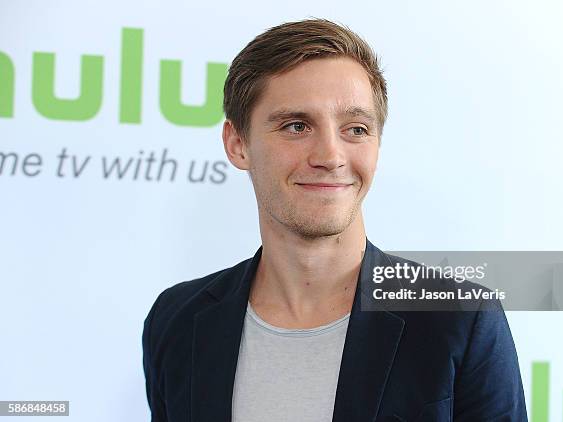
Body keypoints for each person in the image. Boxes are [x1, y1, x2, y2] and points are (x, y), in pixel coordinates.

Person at [143, 18, 528, 422]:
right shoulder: (177, 320)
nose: (330, 155)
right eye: (296, 126)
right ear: (238, 144)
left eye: (356, 129)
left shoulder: (459, 320)